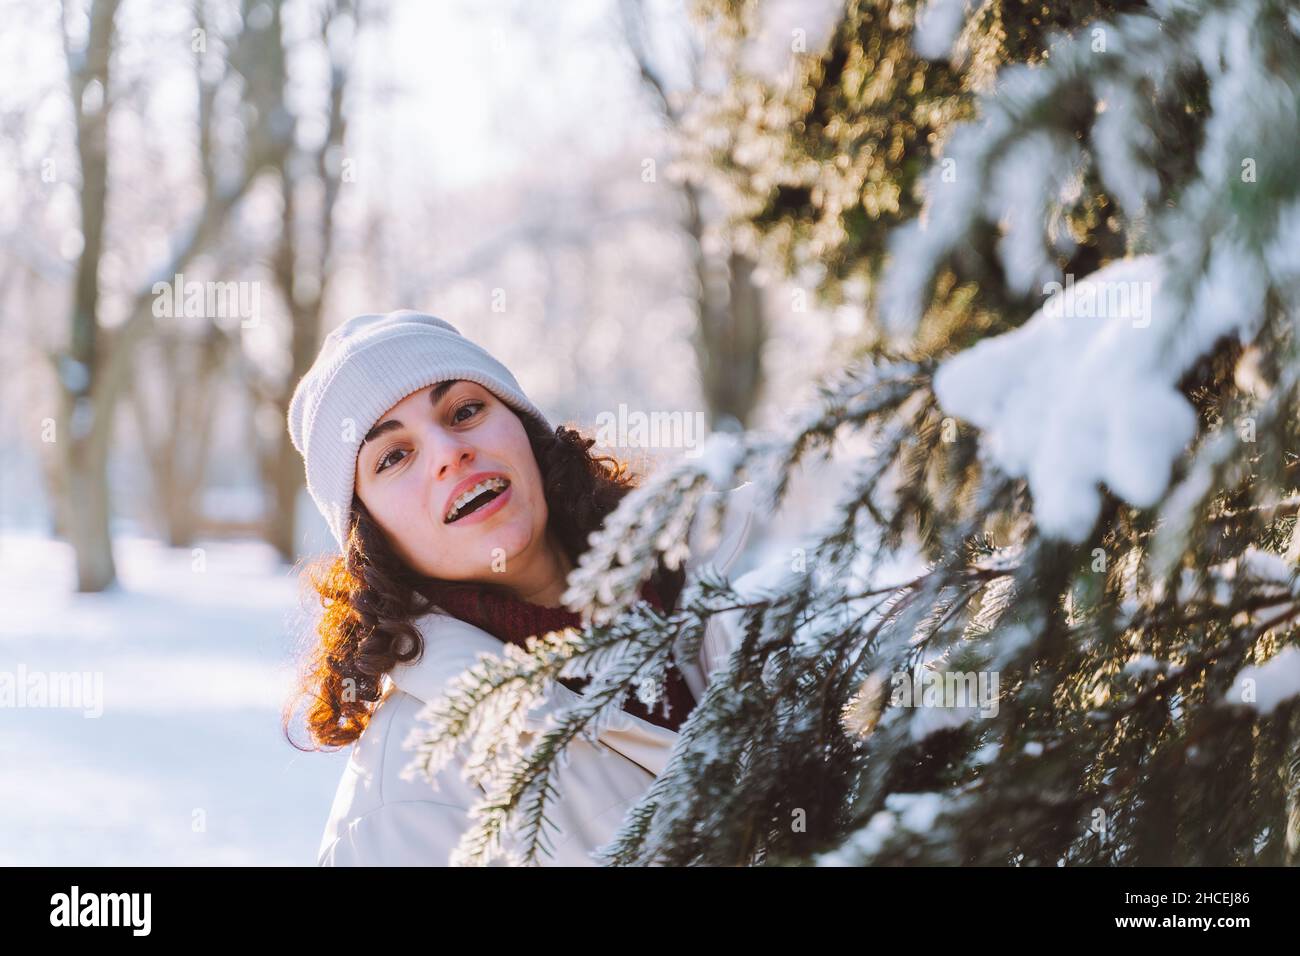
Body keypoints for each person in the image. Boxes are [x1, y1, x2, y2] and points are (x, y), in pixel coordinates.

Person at [281, 310, 759, 866]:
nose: (447, 452)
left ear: (526, 429)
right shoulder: (403, 802)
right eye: (394, 456)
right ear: (371, 536)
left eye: (465, 410)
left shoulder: (752, 549)